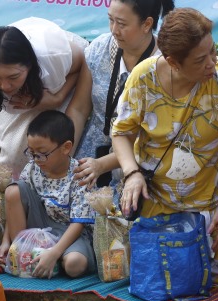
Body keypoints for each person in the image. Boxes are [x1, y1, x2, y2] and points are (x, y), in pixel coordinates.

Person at [112, 7, 218, 288]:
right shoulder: (143, 78)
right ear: (173, 62)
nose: (212, 63)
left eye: (213, 51)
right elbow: (121, 133)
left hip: (213, 202)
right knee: (161, 281)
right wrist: (132, 173)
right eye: (201, 60)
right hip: (159, 201)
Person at [0, 18, 89, 208]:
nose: (5, 86)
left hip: (56, 84)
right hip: (25, 96)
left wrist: (56, 98)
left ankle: (55, 205)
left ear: (29, 66)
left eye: (13, 77)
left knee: (53, 152)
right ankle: (20, 208)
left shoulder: (54, 54)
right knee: (13, 158)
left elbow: (80, 65)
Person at [66, 0, 175, 189]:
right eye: (111, 20)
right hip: (88, 158)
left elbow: (154, 136)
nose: (114, 30)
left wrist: (102, 164)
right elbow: (79, 109)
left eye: (122, 24)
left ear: (147, 24)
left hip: (138, 165)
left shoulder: (163, 65)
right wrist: (64, 155)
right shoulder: (99, 48)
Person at [0, 110, 96, 278]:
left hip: (69, 234)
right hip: (39, 228)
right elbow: (14, 204)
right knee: (13, 190)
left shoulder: (80, 174)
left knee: (74, 265)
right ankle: (21, 250)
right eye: (32, 153)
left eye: (42, 154)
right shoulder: (32, 167)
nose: (35, 159)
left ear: (66, 148)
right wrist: (6, 242)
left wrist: (55, 252)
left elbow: (78, 224)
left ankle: (52, 258)